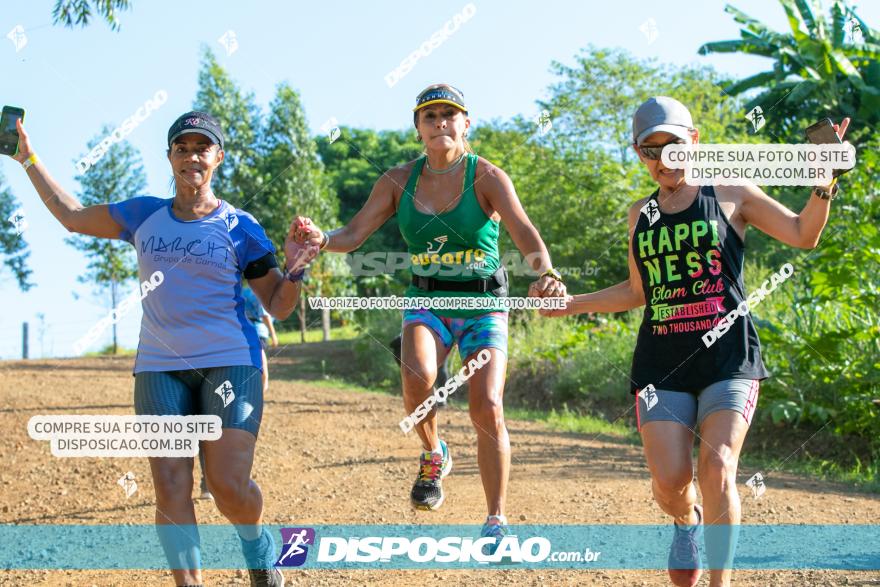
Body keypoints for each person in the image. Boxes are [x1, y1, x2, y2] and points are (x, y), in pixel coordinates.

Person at [541, 96, 849, 587]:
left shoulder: (731, 192)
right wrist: (570, 303)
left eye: (674, 146)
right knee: (670, 482)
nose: (664, 159)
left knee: (719, 463)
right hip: (661, 363)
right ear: (638, 152)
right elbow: (637, 292)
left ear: (695, 143)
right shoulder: (638, 214)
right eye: (651, 149)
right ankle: (686, 521)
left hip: (730, 359)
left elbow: (801, 233)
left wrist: (823, 183)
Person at [8, 110, 318, 587]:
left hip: (231, 362)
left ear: (217, 157)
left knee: (227, 486)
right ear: (170, 156)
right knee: (171, 486)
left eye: (201, 147)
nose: (191, 155)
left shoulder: (241, 226)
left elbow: (277, 306)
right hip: (159, 368)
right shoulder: (143, 214)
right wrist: (27, 157)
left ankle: (257, 548)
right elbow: (71, 217)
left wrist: (296, 268)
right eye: (182, 147)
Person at [293, 83, 565, 552]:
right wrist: (321, 239)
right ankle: (434, 453)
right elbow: (354, 233)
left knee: (488, 408)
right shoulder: (398, 179)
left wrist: (547, 273)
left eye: (449, 114)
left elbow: (525, 233)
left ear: (466, 122)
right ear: (418, 128)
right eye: (429, 116)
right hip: (428, 300)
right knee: (418, 378)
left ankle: (496, 517)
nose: (440, 122)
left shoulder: (489, 177)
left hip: (483, 305)